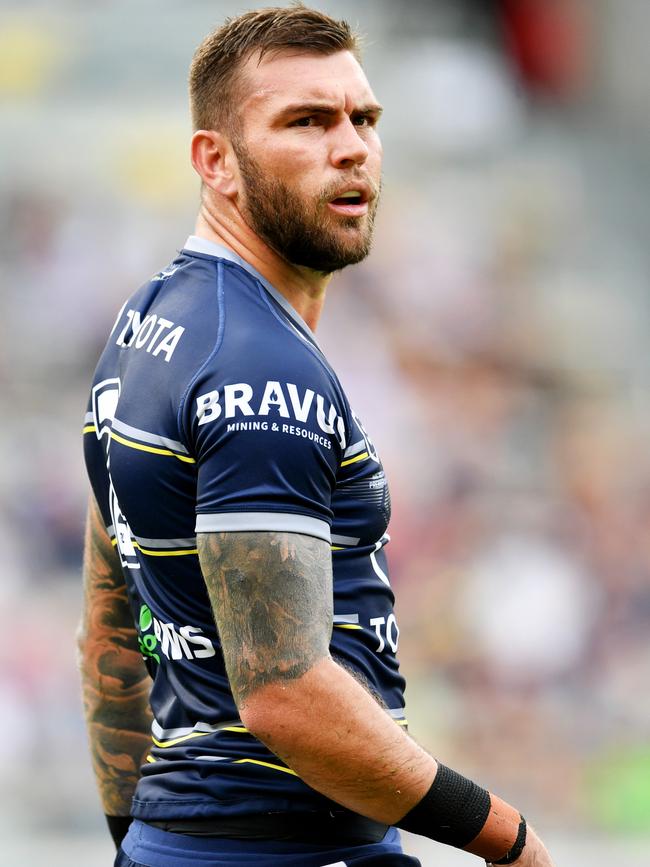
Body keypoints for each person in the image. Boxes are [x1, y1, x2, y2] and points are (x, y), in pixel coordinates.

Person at [78, 6, 556, 867]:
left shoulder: (145, 324)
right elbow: (286, 692)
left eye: (363, 119)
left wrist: (142, 837)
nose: (352, 147)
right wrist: (507, 837)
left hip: (185, 838)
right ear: (214, 160)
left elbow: (111, 631)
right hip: (292, 844)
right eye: (306, 120)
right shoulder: (261, 370)